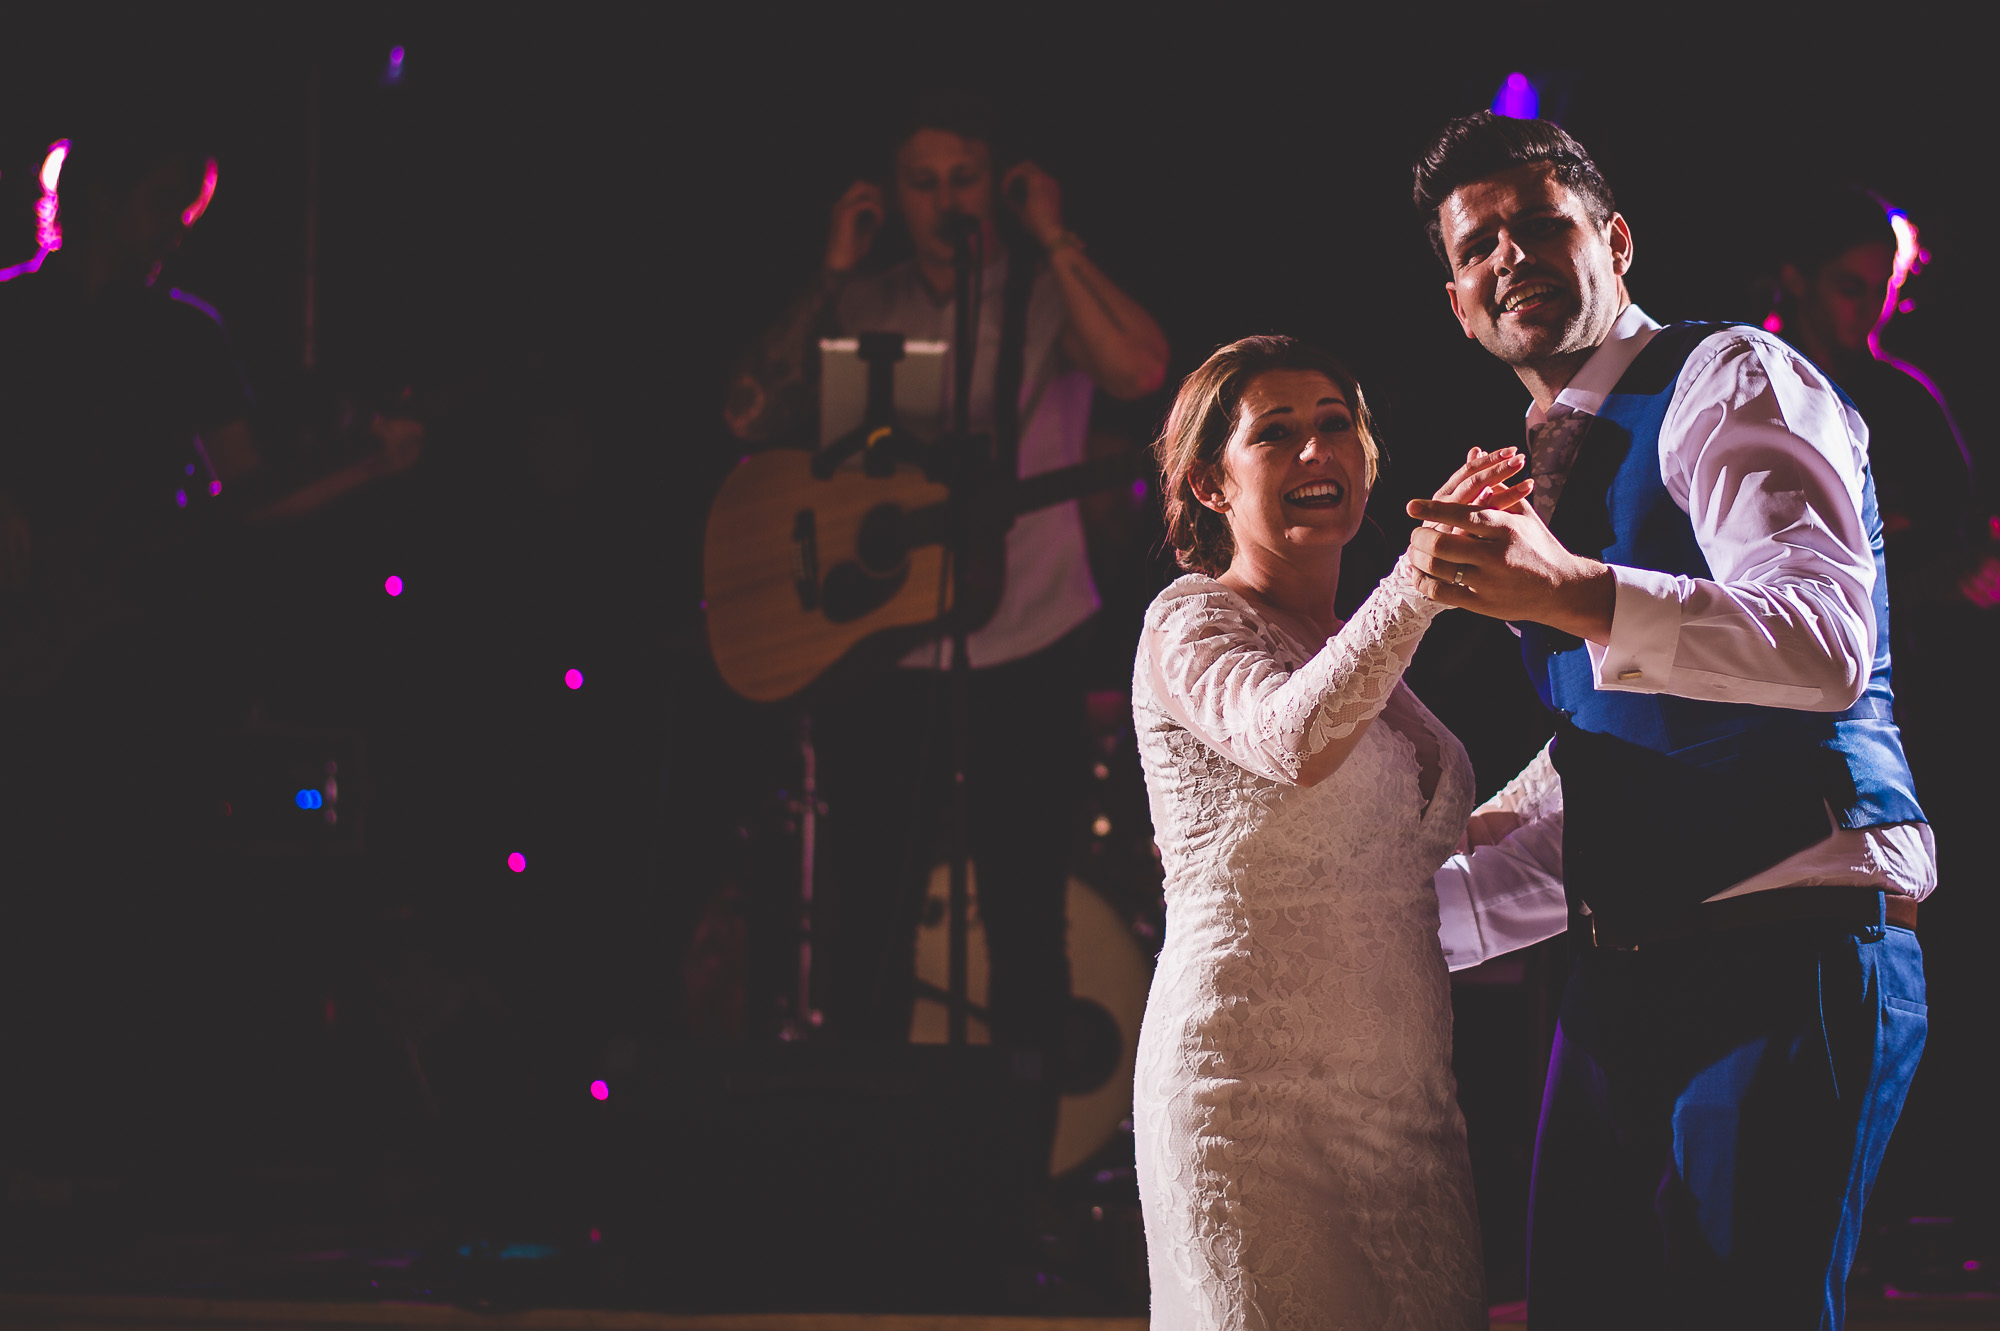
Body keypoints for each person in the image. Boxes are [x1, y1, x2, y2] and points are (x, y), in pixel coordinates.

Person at [1406, 113, 1932, 1328]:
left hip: (1789, 935)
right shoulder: (1547, 463)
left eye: (1540, 224)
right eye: (1477, 244)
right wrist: (1357, 915)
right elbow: (1611, 751)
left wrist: (1567, 591)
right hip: (1620, 969)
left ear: (1615, 240)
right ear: (1455, 303)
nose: (1509, 257)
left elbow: (1817, 644)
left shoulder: (1732, 374)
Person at [719, 92, 1169, 1144]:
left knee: (1024, 924)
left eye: (962, 179)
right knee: (863, 925)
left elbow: (1142, 369)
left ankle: (1011, 1193)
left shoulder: (1039, 294)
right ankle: (877, 1184)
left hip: (1034, 640)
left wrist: (1053, 234)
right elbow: (746, 412)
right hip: (883, 652)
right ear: (890, 192)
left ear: (996, 184)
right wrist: (831, 273)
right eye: (921, 182)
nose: (942, 202)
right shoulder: (865, 302)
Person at [1132, 334, 1542, 1328]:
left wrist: (1616, 719)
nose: (1316, 451)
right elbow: (1289, 735)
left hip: (1403, 1102)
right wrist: (1417, 581)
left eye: (1333, 426)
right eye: (1274, 433)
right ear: (1209, 484)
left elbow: (1440, 851)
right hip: (1250, 1094)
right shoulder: (1189, 619)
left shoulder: (1356, 650)